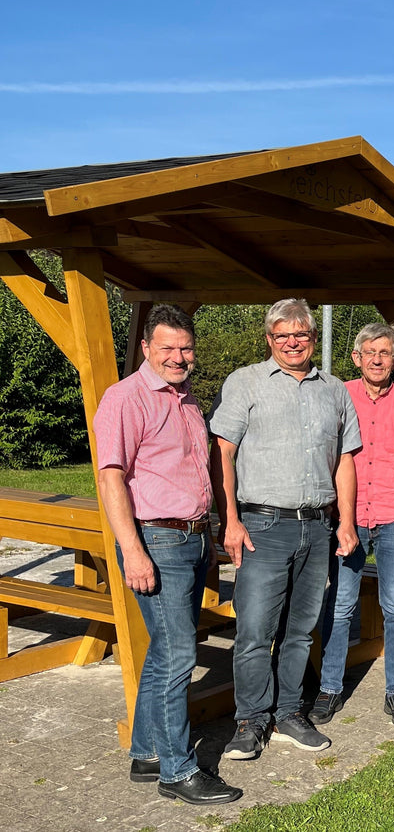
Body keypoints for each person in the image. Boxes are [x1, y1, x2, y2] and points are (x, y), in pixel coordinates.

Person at [94, 304, 241, 804]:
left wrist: (216, 530)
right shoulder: (125, 398)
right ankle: (178, 771)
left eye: (185, 348)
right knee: (179, 653)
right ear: (146, 349)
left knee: (165, 650)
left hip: (194, 537)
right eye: (168, 348)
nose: (178, 357)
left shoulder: (187, 399)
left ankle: (148, 751)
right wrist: (133, 551)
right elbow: (111, 476)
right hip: (156, 540)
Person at [209, 298, 360, 759]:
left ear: (313, 339)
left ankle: (290, 711)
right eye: (282, 335)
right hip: (262, 524)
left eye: (301, 334)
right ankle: (251, 720)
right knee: (255, 630)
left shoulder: (334, 389)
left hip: (317, 527)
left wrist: (347, 522)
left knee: (300, 630)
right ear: (269, 338)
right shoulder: (246, 382)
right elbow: (223, 453)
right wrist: (230, 519)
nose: (292, 342)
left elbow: (345, 460)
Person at [312, 323, 394, 728]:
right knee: (342, 603)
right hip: (349, 518)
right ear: (356, 357)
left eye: (386, 353)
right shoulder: (338, 394)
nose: (377, 360)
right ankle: (330, 688)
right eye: (370, 352)